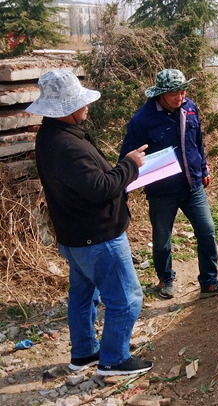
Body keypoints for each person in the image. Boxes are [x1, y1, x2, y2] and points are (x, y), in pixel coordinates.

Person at [27, 69, 153, 376]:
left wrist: (122, 173)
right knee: (127, 298)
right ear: (65, 109)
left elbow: (87, 184)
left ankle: (84, 353)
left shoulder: (52, 136)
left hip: (74, 236)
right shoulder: (67, 146)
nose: (86, 106)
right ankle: (114, 360)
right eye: (79, 102)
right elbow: (99, 188)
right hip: (97, 238)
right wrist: (130, 165)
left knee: (84, 296)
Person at [120, 69, 218, 299]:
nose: (180, 97)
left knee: (207, 231)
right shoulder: (142, 120)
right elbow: (128, 157)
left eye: (183, 92)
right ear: (160, 94)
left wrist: (203, 168)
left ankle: (209, 282)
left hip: (192, 186)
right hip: (162, 192)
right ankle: (165, 280)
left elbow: (197, 141)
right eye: (174, 94)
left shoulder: (189, 108)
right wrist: (123, 192)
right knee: (162, 240)